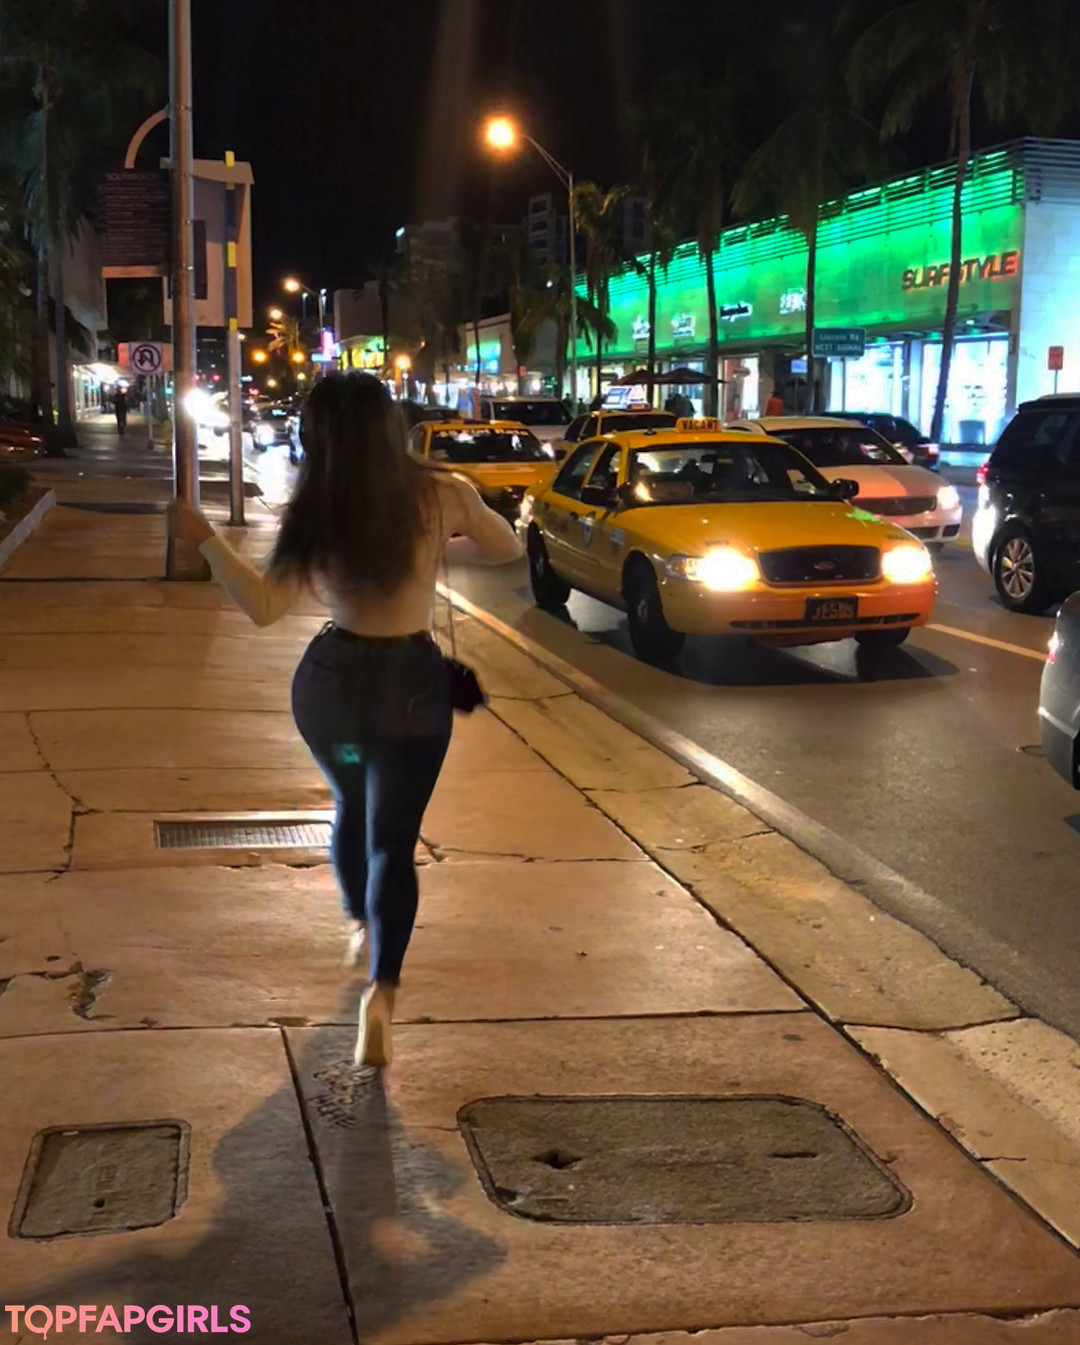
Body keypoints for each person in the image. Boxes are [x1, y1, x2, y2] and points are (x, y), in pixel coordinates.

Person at [168, 373, 523, 1067]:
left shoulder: (317, 507)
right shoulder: (442, 492)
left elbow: (264, 606)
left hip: (333, 691)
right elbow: (507, 548)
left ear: (320, 436)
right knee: (394, 839)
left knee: (350, 804)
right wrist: (444, 541)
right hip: (410, 690)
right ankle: (382, 992)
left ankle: (360, 920)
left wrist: (206, 539)